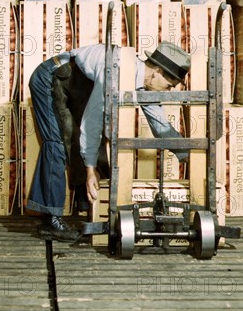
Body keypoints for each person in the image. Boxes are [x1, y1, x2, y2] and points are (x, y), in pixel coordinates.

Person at [26, 41, 191, 242]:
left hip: (79, 84)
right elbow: (92, 123)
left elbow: (161, 125)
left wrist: (190, 155)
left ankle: (92, 209)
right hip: (53, 77)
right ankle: (50, 221)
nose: (169, 91)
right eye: (169, 85)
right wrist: (89, 169)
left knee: (89, 143)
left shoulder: (142, 83)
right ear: (157, 71)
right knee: (58, 142)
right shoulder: (117, 71)